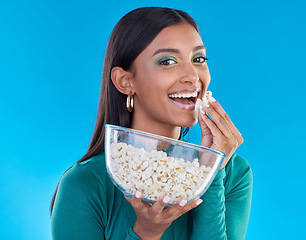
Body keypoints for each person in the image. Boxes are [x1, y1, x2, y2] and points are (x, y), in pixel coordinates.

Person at [50, 7, 253, 240]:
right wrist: (145, 233)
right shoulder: (85, 184)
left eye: (198, 59)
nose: (193, 76)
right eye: (167, 61)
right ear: (125, 81)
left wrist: (211, 171)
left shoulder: (234, 173)